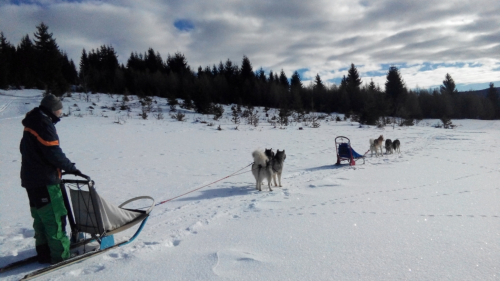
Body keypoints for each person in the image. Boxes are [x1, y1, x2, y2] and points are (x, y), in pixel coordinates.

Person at [20, 94, 81, 264]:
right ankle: (60, 257)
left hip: (30, 180)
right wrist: (71, 168)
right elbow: (53, 152)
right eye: (59, 111)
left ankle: (44, 253)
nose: (60, 114)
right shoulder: (43, 124)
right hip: (45, 181)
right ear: (53, 110)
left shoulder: (32, 122)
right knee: (55, 219)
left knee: (41, 219)